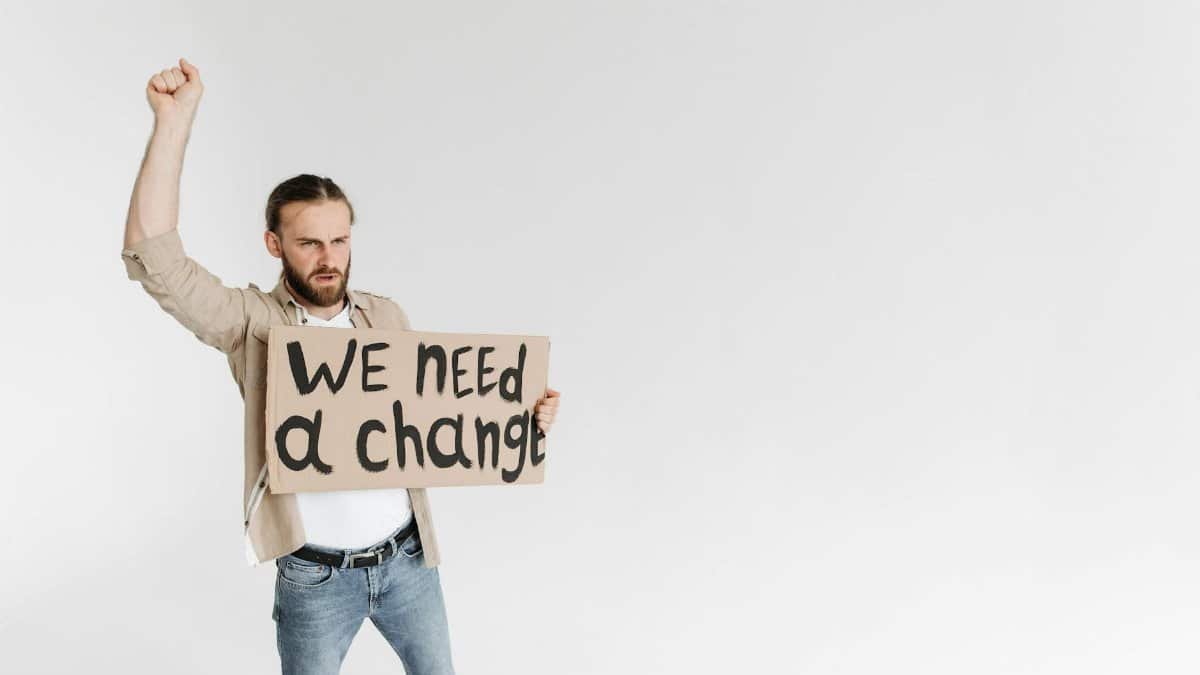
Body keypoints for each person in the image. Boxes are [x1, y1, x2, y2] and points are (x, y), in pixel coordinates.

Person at [120, 58, 561, 675]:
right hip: (316, 578)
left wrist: (521, 421)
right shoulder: (252, 324)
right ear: (275, 244)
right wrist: (174, 122)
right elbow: (154, 256)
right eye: (309, 243)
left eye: (340, 240)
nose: (329, 259)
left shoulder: (387, 317)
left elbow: (445, 418)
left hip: (409, 561)